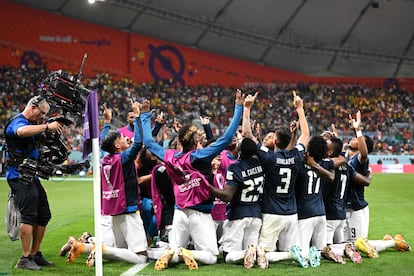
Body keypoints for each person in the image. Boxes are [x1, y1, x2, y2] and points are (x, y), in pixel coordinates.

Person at [140, 89, 244, 270]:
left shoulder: (170, 156)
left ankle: (165, 252)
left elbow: (148, 143)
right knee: (211, 257)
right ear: (195, 141)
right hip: (200, 214)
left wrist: (144, 115)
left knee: (172, 253)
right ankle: (186, 253)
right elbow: (227, 138)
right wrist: (238, 108)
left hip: (179, 213)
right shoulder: (200, 156)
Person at [68, 99, 148, 265]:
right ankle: (100, 248)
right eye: (121, 138)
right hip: (129, 210)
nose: (126, 138)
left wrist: (106, 123)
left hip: (115, 210)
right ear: (117, 145)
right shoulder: (124, 158)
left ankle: (85, 247)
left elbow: (101, 143)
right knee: (141, 257)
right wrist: (139, 116)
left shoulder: (106, 159)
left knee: (123, 249)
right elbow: (139, 143)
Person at [242, 92, 312, 268]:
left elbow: (248, 135)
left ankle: (267, 255)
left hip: (272, 212)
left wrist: (247, 108)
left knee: (264, 253)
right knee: (288, 252)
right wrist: (300, 109)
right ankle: (300, 254)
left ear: (276, 142)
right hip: (291, 213)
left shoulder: (269, 158)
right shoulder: (297, 155)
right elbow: (306, 134)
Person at [4, 95, 64, 270]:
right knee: (29, 216)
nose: (42, 118)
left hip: (32, 176)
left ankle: (34, 254)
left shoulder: (31, 123)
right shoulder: (17, 122)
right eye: (41, 114)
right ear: (32, 107)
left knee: (44, 214)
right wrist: (46, 126)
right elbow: (21, 132)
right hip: (19, 176)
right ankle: (24, 258)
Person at [209, 137, 266, 269]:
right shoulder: (260, 164)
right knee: (250, 251)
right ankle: (256, 252)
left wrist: (207, 187)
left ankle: (251, 252)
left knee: (229, 255)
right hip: (256, 214)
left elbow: (227, 196)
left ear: (239, 149)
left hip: (238, 216)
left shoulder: (234, 167)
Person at [344, 111, 375, 243]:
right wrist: (355, 131)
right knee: (345, 244)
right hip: (345, 207)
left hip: (357, 208)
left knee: (359, 244)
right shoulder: (349, 157)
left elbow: (363, 152)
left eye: (356, 139)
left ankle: (392, 242)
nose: (353, 139)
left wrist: (358, 130)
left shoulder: (361, 159)